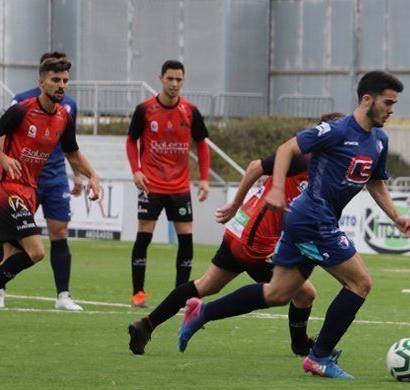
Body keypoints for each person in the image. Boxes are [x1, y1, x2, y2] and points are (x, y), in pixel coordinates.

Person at [177, 71, 410, 379]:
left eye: (394, 103)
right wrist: (276, 188)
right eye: (388, 102)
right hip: (314, 218)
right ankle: (319, 357)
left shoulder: (379, 141)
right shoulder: (337, 130)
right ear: (367, 99)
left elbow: (376, 182)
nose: (392, 109)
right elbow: (289, 148)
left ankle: (201, 312)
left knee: (277, 293)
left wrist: (395, 216)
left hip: (307, 220)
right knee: (360, 283)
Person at [125, 112, 346, 356]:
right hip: (255, 239)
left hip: (241, 231)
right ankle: (300, 344)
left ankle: (146, 325)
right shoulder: (303, 159)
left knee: (206, 284)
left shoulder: (323, 166)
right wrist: (234, 204)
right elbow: (255, 167)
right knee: (304, 293)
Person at [0, 56, 101, 306]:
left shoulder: (64, 117)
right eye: (55, 80)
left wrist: (92, 175)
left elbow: (72, 153)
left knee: (10, 258)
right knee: (36, 252)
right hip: (8, 189)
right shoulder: (22, 109)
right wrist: (4, 159)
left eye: (65, 80)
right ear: (41, 82)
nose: (61, 85)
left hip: (29, 191)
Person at [126, 59, 210, 308]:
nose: (174, 83)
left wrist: (204, 179)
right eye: (170, 78)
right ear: (161, 78)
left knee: (186, 239)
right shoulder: (145, 110)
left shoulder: (191, 111)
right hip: (151, 186)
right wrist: (136, 171)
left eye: (179, 79)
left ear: (183, 81)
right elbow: (131, 141)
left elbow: (202, 145)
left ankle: (180, 295)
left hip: (180, 188)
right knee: (144, 236)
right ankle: (138, 293)